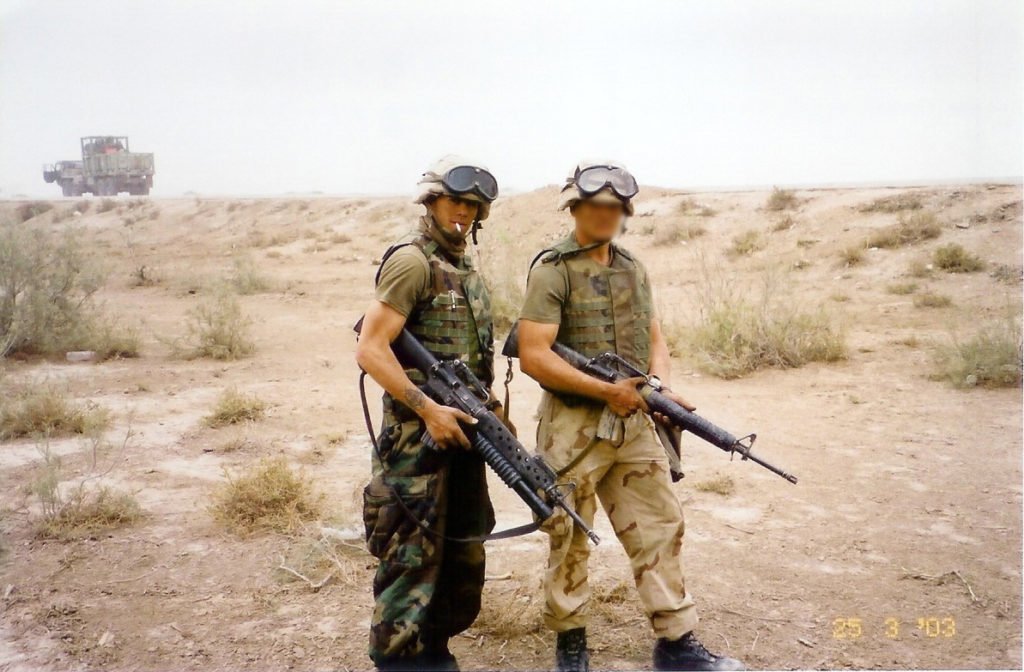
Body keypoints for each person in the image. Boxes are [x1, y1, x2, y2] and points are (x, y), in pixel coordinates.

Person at [514, 160, 745, 672]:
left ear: (624, 212)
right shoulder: (552, 268)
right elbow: (534, 354)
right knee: (570, 531)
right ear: (575, 208)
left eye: (614, 208)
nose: (604, 215)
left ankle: (676, 641)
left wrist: (659, 391)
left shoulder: (632, 267)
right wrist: (605, 391)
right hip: (574, 426)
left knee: (660, 524)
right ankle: (570, 640)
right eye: (594, 206)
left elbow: (655, 335)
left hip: (635, 420)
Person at [355, 155, 503, 671]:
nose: (464, 212)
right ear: (431, 201)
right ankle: (397, 660)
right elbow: (371, 349)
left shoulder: (465, 269)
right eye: (455, 201)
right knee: (411, 553)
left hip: (464, 432)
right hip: (416, 439)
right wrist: (428, 409)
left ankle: (433, 650)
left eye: (473, 205)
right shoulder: (412, 262)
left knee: (463, 548)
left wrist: (491, 409)